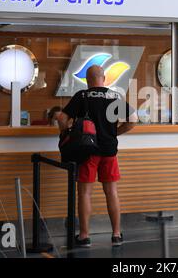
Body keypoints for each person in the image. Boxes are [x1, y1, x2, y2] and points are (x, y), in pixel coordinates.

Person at [56, 65, 137, 248]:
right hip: (109, 151)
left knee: (85, 193)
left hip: (87, 152)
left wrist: (66, 135)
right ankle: (116, 235)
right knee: (112, 192)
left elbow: (61, 119)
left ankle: (84, 236)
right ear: (104, 78)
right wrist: (115, 133)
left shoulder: (82, 96)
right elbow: (133, 120)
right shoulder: (114, 97)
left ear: (87, 79)